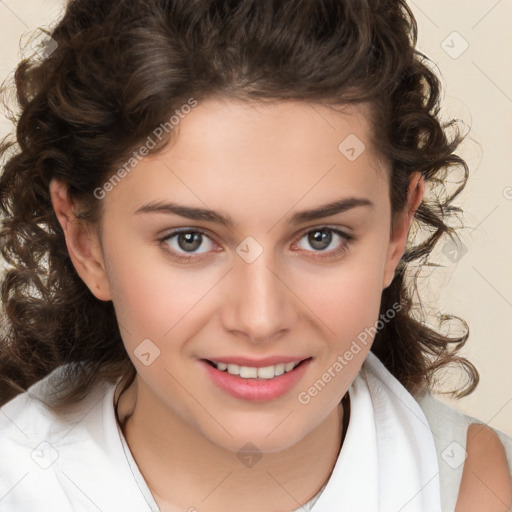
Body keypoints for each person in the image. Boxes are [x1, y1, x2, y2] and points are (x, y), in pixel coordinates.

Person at [0, 0, 511, 511]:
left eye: (321, 237)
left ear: (397, 229)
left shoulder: (475, 489)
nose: (260, 319)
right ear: (86, 243)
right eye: (190, 240)